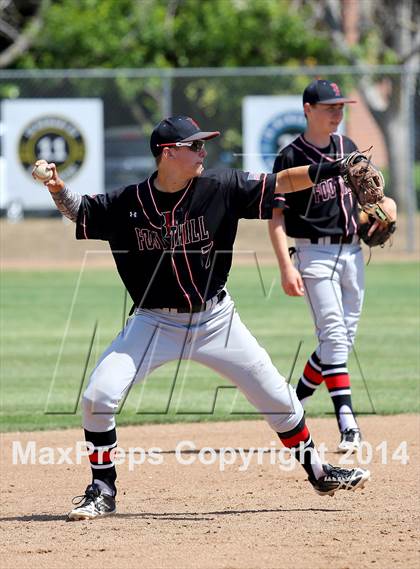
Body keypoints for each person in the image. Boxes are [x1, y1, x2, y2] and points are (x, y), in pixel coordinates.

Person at [34, 115, 370, 521]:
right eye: (194, 146)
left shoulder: (221, 188)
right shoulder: (128, 203)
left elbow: (279, 182)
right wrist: (56, 186)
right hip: (154, 322)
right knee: (97, 397)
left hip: (216, 320)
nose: (202, 151)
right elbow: (80, 210)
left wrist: (333, 168)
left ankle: (318, 472)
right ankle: (102, 489)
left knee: (279, 399)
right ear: (167, 153)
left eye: (203, 144)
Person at [268, 80, 397, 453]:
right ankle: (348, 424)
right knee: (335, 339)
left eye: (340, 107)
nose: (337, 113)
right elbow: (275, 217)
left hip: (352, 251)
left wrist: (385, 209)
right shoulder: (291, 157)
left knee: (337, 342)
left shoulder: (349, 148)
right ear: (307, 109)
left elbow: (371, 198)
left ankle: (293, 404)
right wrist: (284, 266)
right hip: (312, 254)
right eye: (329, 107)